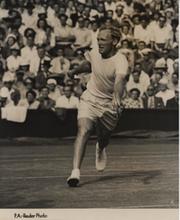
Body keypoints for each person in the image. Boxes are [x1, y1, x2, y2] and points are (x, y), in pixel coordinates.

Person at [66, 25, 128, 187]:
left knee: (104, 138)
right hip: (90, 99)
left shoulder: (121, 60)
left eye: (103, 40)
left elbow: (120, 80)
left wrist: (116, 97)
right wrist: (73, 72)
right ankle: (75, 172)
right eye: (98, 39)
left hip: (109, 105)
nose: (99, 43)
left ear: (114, 41)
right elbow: (88, 65)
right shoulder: (95, 52)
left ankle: (101, 148)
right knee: (84, 130)